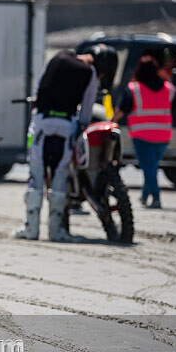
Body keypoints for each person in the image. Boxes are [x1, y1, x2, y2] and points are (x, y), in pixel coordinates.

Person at [14, 43, 117, 241]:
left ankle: (31, 229)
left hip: (42, 122)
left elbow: (38, 89)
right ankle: (56, 231)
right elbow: (86, 111)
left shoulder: (58, 57)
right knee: (60, 176)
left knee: (36, 175)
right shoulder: (90, 74)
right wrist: (80, 127)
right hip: (66, 125)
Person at [113, 55, 175, 208]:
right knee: (152, 166)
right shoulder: (169, 88)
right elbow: (173, 105)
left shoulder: (134, 89)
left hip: (142, 135)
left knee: (149, 167)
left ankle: (155, 197)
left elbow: (123, 110)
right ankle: (145, 195)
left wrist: (111, 122)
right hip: (163, 135)